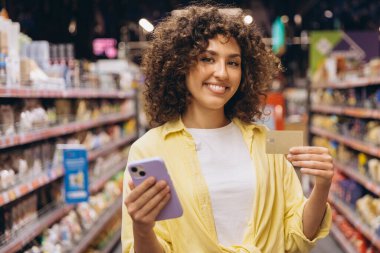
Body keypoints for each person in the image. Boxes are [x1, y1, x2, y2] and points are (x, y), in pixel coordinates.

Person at [122, 4, 333, 253]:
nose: (222, 73)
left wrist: (321, 188)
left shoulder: (268, 140)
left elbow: (296, 239)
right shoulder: (149, 149)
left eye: (233, 63)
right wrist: (142, 228)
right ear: (180, 64)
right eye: (207, 59)